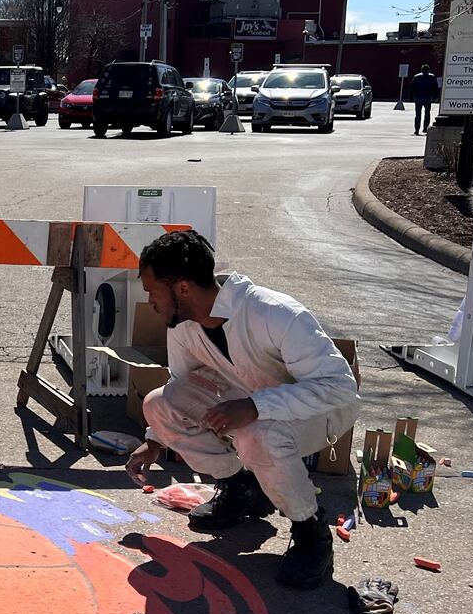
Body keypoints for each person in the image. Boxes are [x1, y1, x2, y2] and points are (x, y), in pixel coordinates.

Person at [125, 232, 360, 590]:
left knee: (258, 433)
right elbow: (182, 386)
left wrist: (255, 407)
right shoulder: (184, 323)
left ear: (183, 288)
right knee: (160, 403)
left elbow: (339, 386)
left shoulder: (276, 313)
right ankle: (242, 489)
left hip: (320, 412)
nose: (150, 301)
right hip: (247, 403)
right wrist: (155, 441)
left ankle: (310, 529)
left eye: (152, 290)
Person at [410, 64, 440, 135]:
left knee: (418, 114)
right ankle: (425, 128)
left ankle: (417, 129)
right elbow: (435, 88)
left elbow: (412, 87)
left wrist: (411, 97)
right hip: (427, 97)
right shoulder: (432, 77)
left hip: (418, 97)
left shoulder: (416, 77)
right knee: (427, 113)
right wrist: (436, 96)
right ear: (428, 70)